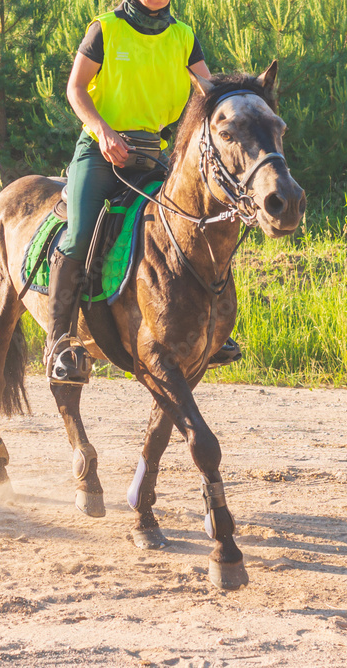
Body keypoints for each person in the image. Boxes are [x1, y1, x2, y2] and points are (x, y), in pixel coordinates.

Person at [47, 0, 238, 384]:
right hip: (101, 152)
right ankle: (60, 344)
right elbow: (76, 88)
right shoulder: (105, 28)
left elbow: (210, 92)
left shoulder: (183, 36)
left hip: (153, 152)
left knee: (193, 225)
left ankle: (212, 333)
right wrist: (102, 131)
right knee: (81, 233)